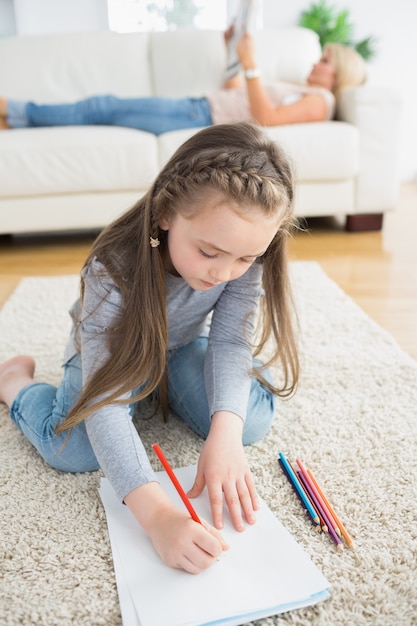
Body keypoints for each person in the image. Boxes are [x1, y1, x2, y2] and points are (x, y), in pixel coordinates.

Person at [0, 121, 300, 575]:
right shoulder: (111, 268)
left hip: (180, 346)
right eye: (209, 252)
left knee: (246, 423)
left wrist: (225, 433)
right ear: (166, 214)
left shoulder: (244, 255)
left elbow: (229, 338)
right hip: (117, 357)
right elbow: (103, 399)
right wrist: (158, 516)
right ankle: (14, 383)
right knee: (73, 452)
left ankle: (193, 396)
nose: (224, 273)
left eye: (245, 258)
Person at [0, 32, 367, 132]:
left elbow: (266, 118)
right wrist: (233, 55)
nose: (315, 63)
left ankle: (13, 110)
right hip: (200, 108)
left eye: (324, 61)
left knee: (102, 106)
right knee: (102, 108)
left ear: (338, 75)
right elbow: (238, 98)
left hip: (197, 116)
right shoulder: (305, 90)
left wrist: (253, 64)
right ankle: (14, 119)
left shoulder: (321, 100)